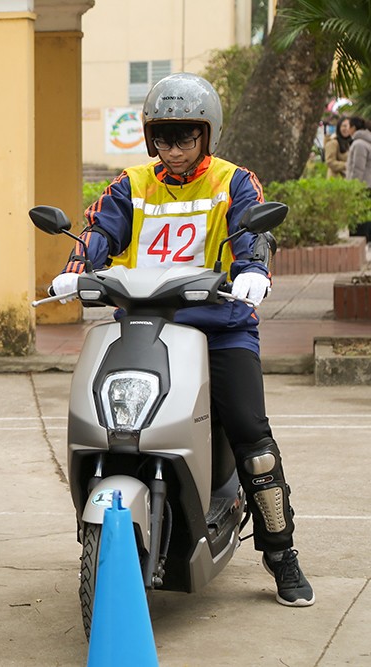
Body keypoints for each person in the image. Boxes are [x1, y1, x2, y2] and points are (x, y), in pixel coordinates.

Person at [50, 73, 314, 607]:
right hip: (147, 323)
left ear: (207, 134)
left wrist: (254, 271)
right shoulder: (131, 185)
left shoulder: (234, 182)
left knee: (250, 434)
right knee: (111, 421)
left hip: (220, 326)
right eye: (163, 138)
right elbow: (100, 231)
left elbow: (250, 231)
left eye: (185, 136)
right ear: (151, 140)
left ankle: (281, 552)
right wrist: (75, 268)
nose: (173, 148)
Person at [345, 117, 371, 239]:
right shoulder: (367, 142)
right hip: (367, 186)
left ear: (353, 128)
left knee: (359, 219)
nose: (347, 129)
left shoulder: (358, 144)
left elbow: (357, 168)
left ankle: (361, 240)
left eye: (348, 126)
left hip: (361, 187)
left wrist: (353, 187)